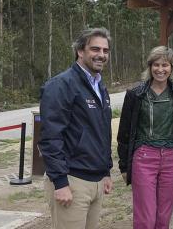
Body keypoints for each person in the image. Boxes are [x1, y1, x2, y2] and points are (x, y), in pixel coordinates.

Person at [39, 27, 113, 229]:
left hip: (96, 180)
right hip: (72, 181)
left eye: (105, 51)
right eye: (95, 49)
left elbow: (102, 132)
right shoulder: (61, 85)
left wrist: (106, 171)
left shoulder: (100, 86)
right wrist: (60, 182)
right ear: (81, 51)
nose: (101, 55)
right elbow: (50, 137)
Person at [117, 46, 173, 229]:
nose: (160, 69)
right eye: (156, 65)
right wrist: (124, 165)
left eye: (165, 65)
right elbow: (124, 132)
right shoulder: (136, 94)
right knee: (146, 218)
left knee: (163, 217)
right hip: (144, 157)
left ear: (172, 67)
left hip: (171, 158)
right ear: (150, 67)